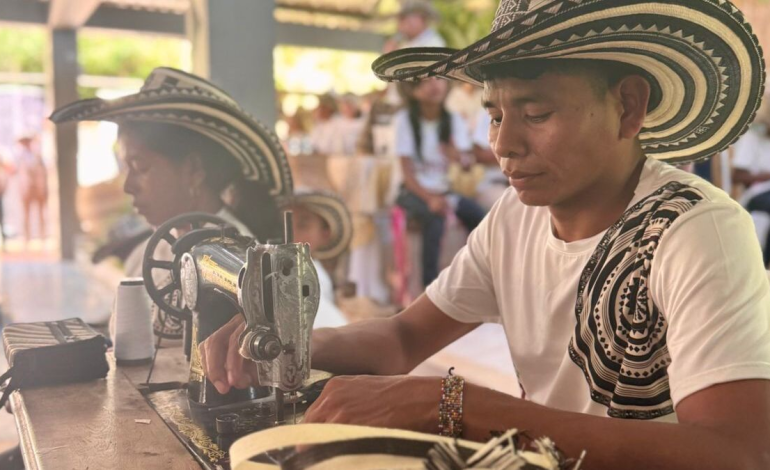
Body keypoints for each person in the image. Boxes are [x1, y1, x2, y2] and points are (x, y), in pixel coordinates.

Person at [202, 0, 770, 468]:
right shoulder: (515, 218)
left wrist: (454, 404)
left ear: (627, 106)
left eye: (537, 113)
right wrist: (293, 344)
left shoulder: (696, 230)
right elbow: (402, 340)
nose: (503, 145)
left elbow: (736, 453)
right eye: (496, 114)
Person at [51, 67, 294, 337]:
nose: (128, 186)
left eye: (140, 167)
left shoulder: (242, 265)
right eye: (126, 168)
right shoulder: (147, 254)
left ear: (193, 170)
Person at [395, 77, 486, 287]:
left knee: (481, 219)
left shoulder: (453, 119)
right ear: (413, 89)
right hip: (415, 193)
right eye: (425, 81)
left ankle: (475, 281)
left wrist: (460, 157)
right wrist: (430, 199)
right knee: (434, 220)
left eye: (439, 79)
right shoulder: (405, 120)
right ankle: (431, 289)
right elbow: (408, 176)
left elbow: (467, 164)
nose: (435, 85)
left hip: (446, 191)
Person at [282, 189, 353, 329]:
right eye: (285, 223)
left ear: (325, 234)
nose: (291, 232)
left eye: (303, 225)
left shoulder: (308, 276)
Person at [14, 133, 47, 245]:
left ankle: (43, 237)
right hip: (26, 188)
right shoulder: (21, 157)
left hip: (38, 188)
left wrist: (42, 186)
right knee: (26, 214)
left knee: (41, 213)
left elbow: (43, 172)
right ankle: (27, 238)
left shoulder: (37, 156)